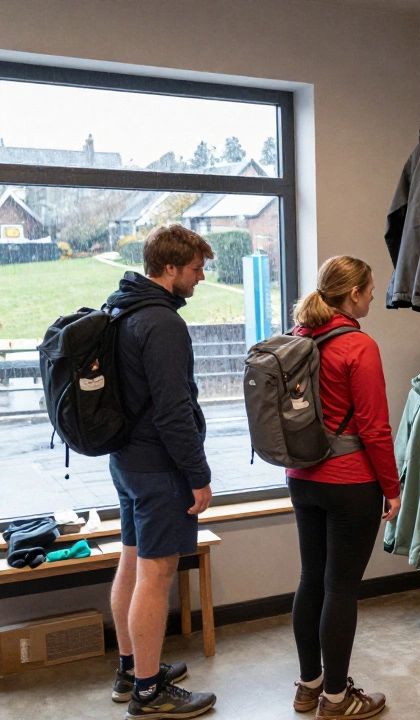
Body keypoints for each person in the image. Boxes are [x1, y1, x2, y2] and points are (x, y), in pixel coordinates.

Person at [106, 224, 218, 718]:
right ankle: (148, 693)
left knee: (131, 563)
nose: (199, 279)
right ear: (170, 267)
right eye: (195, 269)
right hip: (159, 468)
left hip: (127, 461)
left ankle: (133, 668)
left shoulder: (121, 308)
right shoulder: (163, 323)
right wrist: (197, 474)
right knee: (157, 573)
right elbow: (173, 410)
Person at [286, 256, 400, 719]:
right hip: (351, 482)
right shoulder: (358, 345)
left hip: (301, 478)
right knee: (341, 588)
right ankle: (336, 700)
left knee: (311, 579)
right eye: (371, 289)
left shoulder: (299, 339)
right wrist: (392, 487)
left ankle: (308, 688)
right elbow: (374, 429)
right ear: (353, 294)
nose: (374, 295)